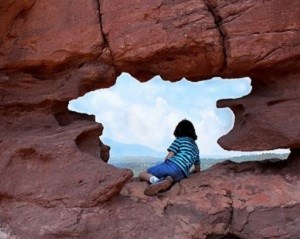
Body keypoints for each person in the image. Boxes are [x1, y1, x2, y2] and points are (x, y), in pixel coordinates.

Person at [138, 119, 200, 196]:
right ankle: (165, 181)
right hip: (181, 174)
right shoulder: (196, 148)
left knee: (142, 174)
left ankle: (156, 181)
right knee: (168, 177)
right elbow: (197, 169)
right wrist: (188, 172)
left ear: (179, 130)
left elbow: (168, 157)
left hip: (172, 166)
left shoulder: (179, 140)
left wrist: (164, 165)